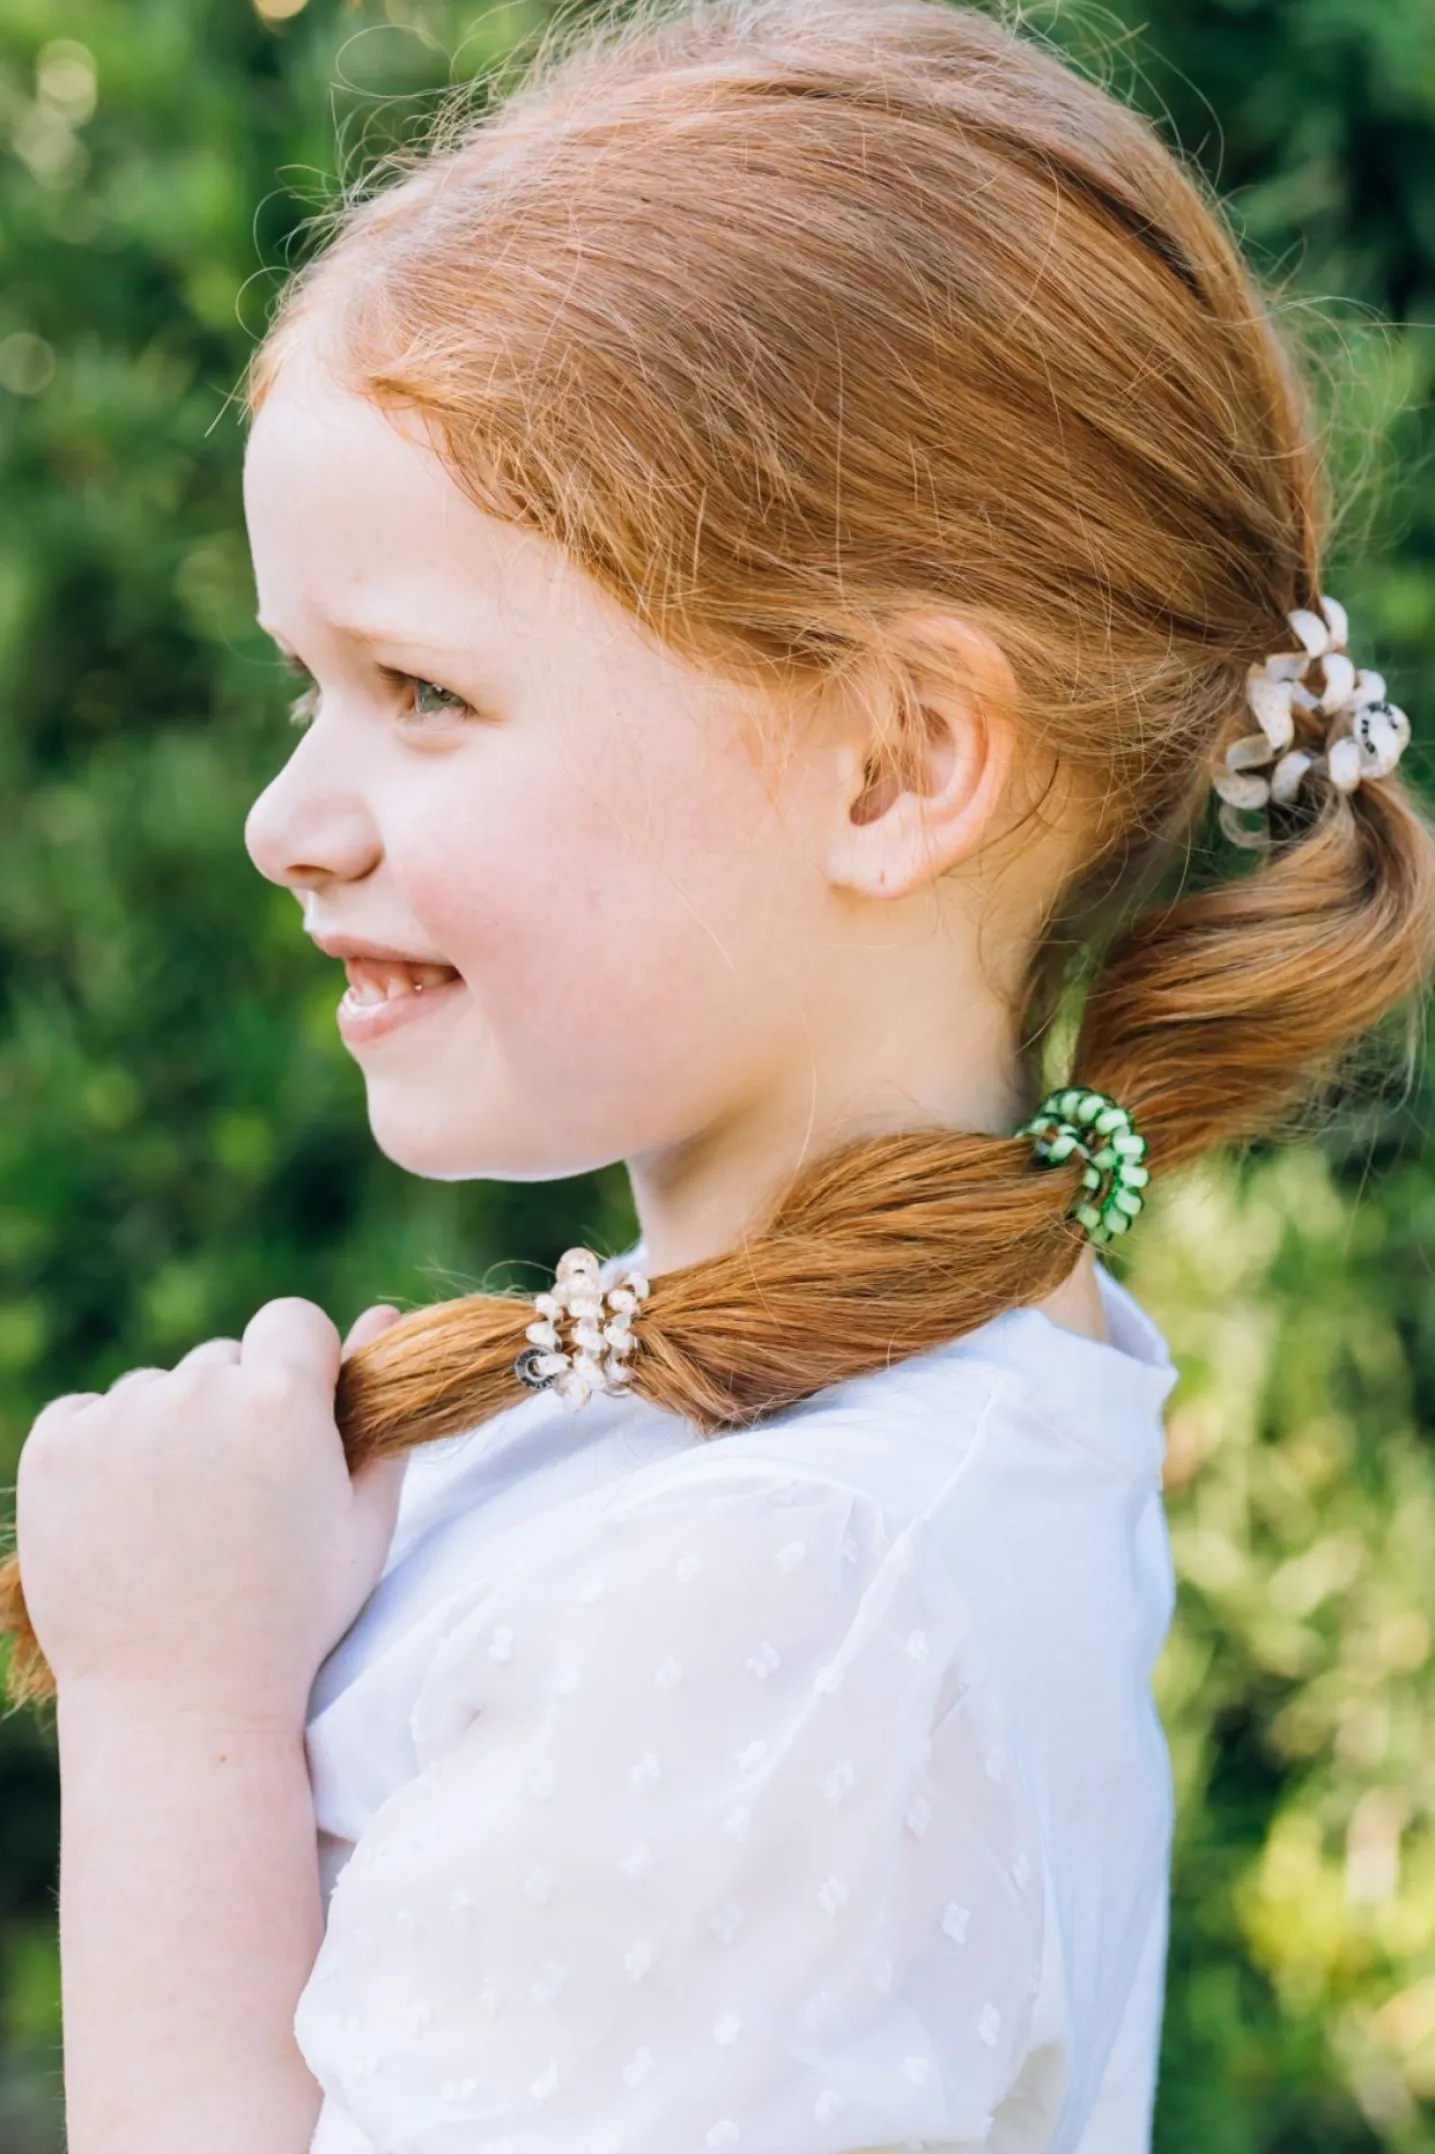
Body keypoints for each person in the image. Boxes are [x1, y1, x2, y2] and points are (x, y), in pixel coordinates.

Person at [10, 0, 1435, 2149]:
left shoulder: (791, 1590)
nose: (285, 821)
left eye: (424, 691)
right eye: (306, 685)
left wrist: (171, 1723)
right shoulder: (900, 1424)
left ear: (894, 765)